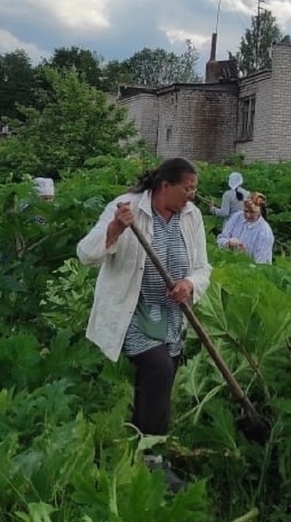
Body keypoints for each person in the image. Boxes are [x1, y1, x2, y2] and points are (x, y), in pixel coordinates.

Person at [77, 157, 211, 485]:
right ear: (165, 186)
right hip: (132, 313)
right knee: (159, 369)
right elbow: (86, 254)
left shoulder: (191, 217)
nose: (192, 196)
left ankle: (137, 445)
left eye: (194, 189)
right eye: (187, 189)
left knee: (155, 384)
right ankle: (153, 461)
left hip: (170, 317)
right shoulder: (128, 208)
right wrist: (115, 228)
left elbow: (202, 267)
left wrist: (189, 285)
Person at [217, 191, 274, 264]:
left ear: (260, 211)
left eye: (252, 212)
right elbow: (220, 240)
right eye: (246, 211)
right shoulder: (236, 217)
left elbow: (260, 265)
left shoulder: (264, 232)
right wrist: (229, 242)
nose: (248, 215)